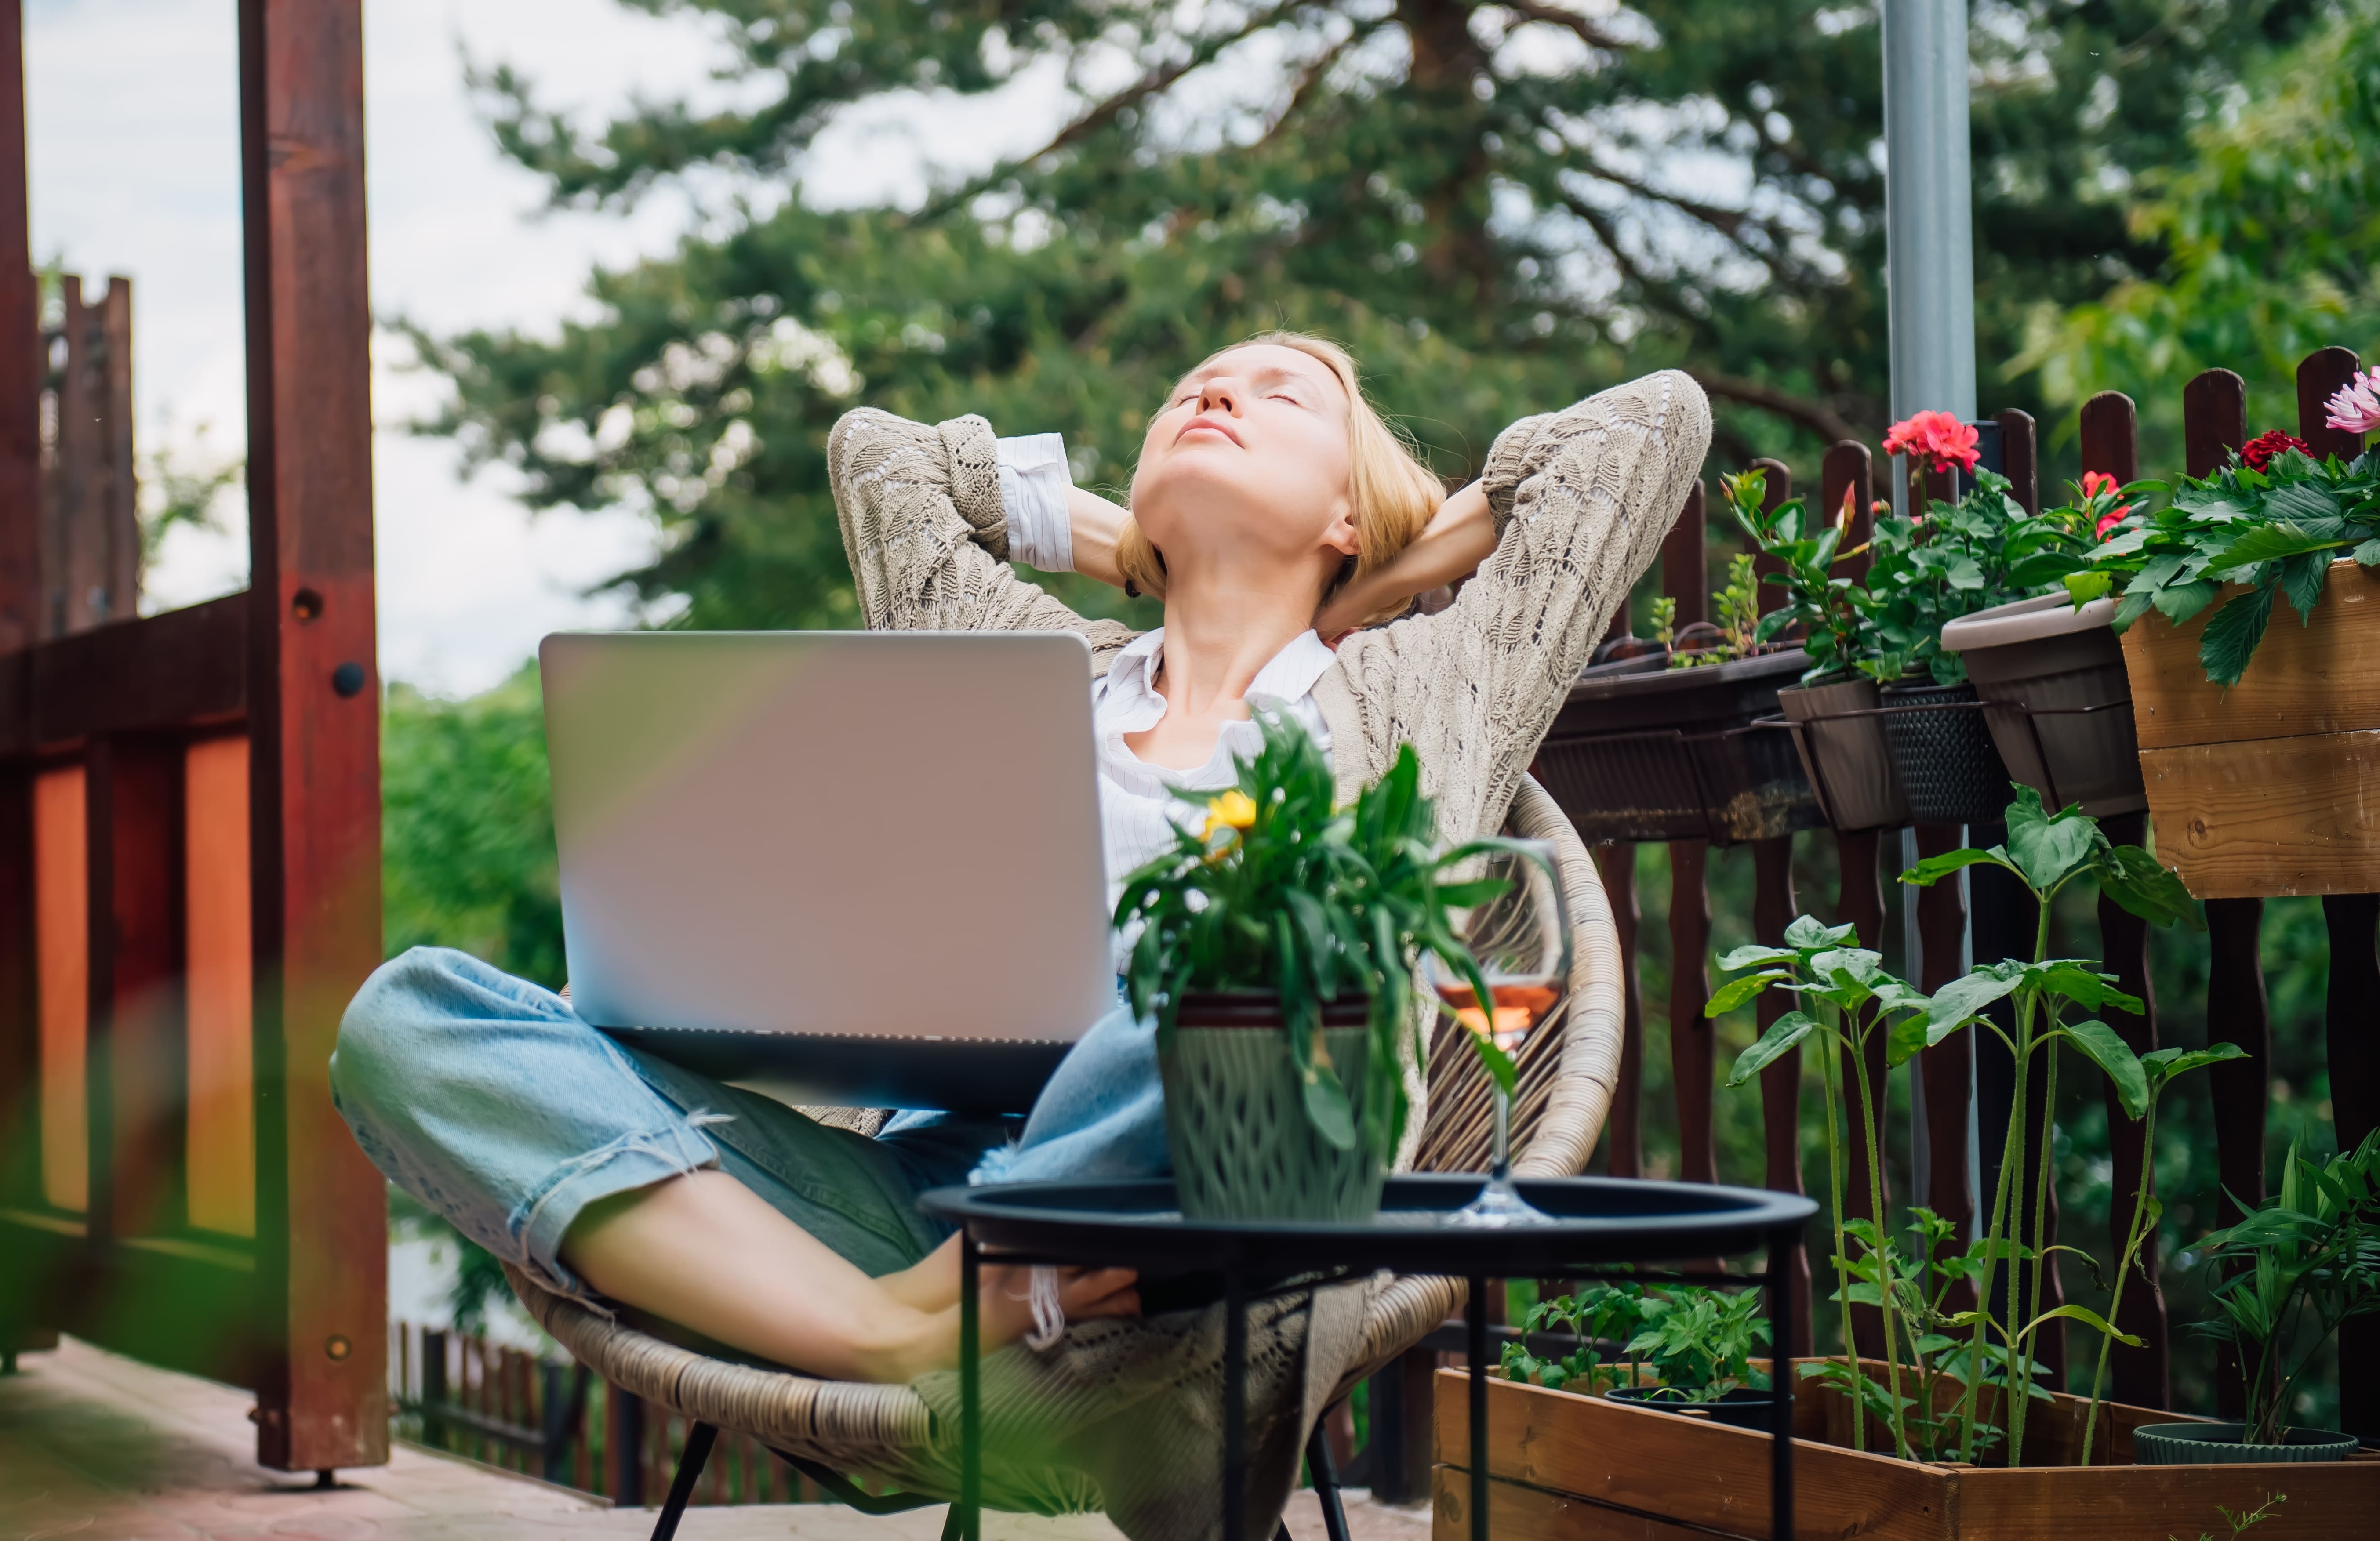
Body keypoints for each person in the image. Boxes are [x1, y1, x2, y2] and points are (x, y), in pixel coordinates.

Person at [331, 336, 1710, 1384]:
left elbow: (1648, 427)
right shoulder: (1029, 667)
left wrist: (1382, 583)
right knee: (409, 1018)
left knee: (1257, 943)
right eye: (1190, 395)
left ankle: (922, 1309)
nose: (1213, 398)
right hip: (935, 1217)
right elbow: (885, 455)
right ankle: (876, 1335)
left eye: (1278, 399)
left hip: (1191, 1228)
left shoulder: (1422, 687)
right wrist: (1137, 550)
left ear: (1353, 511)